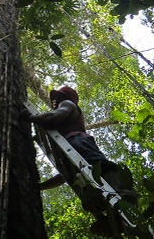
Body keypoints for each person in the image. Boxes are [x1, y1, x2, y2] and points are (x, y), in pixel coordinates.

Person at [25, 85, 133, 237]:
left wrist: (29, 117)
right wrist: (40, 187)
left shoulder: (68, 104)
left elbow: (52, 118)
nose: (54, 100)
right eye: (53, 98)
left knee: (99, 167)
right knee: (86, 179)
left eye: (57, 96)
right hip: (75, 147)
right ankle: (113, 218)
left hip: (77, 141)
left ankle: (122, 193)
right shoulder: (70, 155)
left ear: (66, 98)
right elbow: (65, 174)